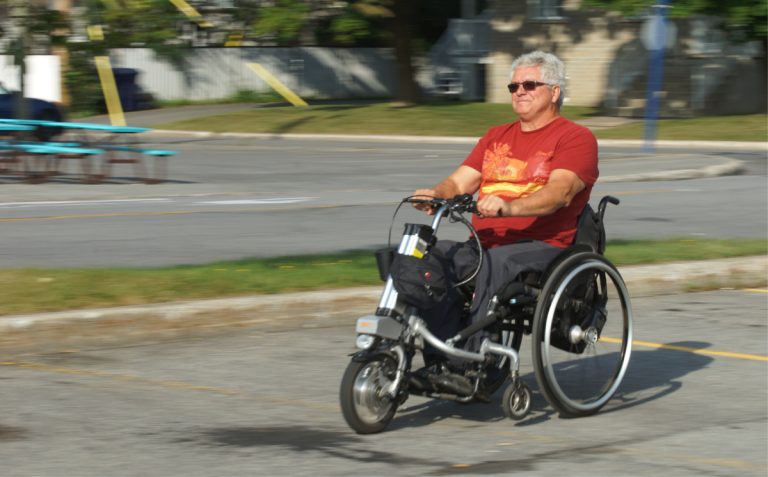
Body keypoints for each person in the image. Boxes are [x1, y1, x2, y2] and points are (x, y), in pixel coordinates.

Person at [411, 50, 599, 363]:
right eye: (514, 87)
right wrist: (436, 194)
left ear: (555, 92)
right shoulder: (495, 137)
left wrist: (508, 208)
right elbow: (458, 184)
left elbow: (560, 193)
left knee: (496, 263)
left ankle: (474, 362)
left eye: (529, 84)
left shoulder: (575, 138)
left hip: (542, 246)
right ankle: (434, 356)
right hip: (485, 244)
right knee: (427, 257)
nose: (520, 91)